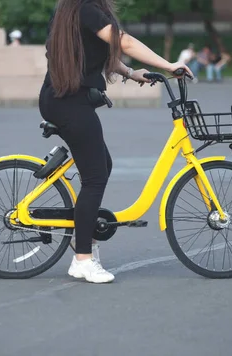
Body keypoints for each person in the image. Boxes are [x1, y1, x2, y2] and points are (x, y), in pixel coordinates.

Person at [39, 0, 192, 284]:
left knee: (101, 166)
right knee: (95, 177)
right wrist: (169, 64)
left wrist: (132, 73)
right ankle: (82, 259)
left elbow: (100, 51)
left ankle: (81, 236)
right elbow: (124, 41)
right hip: (69, 103)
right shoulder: (85, 9)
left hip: (64, 100)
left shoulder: (71, 10)